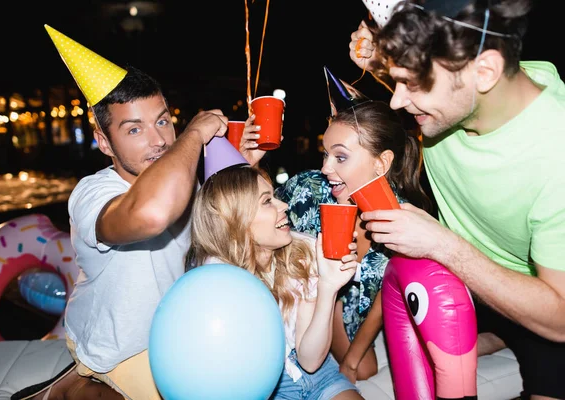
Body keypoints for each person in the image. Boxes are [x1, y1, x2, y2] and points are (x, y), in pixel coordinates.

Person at [347, 1, 565, 398]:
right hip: (461, 287)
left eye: (412, 84)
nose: (396, 101)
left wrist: (442, 244)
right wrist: (378, 58)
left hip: (539, 301)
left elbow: (561, 317)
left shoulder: (556, 154)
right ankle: (497, 333)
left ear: (485, 72)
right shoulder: (458, 85)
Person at [13, 26, 229, 400]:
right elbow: (151, 215)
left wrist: (244, 164)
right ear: (103, 142)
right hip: (112, 351)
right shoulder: (92, 192)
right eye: (134, 129)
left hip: (169, 337)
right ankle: (63, 389)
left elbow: (221, 229)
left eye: (163, 120)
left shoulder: (180, 180)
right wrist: (194, 134)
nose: (159, 139)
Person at [274, 98, 432, 383]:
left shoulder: (402, 221)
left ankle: (494, 339)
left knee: (364, 369)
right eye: (325, 155)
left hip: (353, 311)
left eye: (340, 157)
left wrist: (351, 361)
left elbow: (387, 295)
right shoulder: (306, 188)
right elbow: (254, 211)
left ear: (381, 163)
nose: (326, 168)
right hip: (298, 301)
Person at [188, 165, 364, 400]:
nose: (284, 206)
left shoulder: (303, 252)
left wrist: (328, 288)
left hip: (319, 374)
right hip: (261, 386)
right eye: (267, 201)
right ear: (235, 220)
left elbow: (310, 361)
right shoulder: (217, 281)